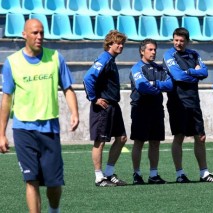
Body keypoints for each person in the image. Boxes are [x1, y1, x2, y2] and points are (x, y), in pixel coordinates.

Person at [0, 19, 79, 213]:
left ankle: (54, 210)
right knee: (31, 180)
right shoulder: (12, 62)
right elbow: (6, 99)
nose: (39, 36)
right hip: (23, 129)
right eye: (35, 33)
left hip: (50, 128)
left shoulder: (55, 58)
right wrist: (1, 133)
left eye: (42, 33)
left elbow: (68, 88)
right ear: (24, 34)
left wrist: (75, 112)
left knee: (54, 183)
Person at [163, 27, 213, 183]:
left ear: (187, 41)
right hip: (177, 102)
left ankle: (204, 173)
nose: (178, 43)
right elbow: (177, 75)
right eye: (176, 40)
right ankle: (180, 174)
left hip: (194, 101)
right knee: (179, 137)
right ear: (172, 40)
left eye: (182, 41)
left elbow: (204, 73)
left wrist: (187, 72)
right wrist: (193, 72)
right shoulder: (169, 54)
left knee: (200, 137)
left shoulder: (194, 54)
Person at [83, 30, 127, 187]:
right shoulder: (104, 58)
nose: (121, 46)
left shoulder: (111, 60)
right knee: (100, 141)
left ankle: (108, 173)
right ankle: (99, 177)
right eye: (118, 43)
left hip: (113, 105)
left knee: (121, 138)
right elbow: (88, 78)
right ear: (110, 44)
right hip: (103, 107)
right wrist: (94, 99)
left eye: (123, 44)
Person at [130, 39, 173, 185]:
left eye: (155, 49)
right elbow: (142, 86)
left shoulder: (159, 69)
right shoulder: (137, 68)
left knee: (155, 142)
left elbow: (170, 84)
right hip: (140, 109)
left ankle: (153, 174)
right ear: (142, 51)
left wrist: (154, 84)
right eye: (150, 49)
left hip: (156, 109)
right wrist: (159, 87)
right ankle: (137, 174)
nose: (153, 52)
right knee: (139, 142)